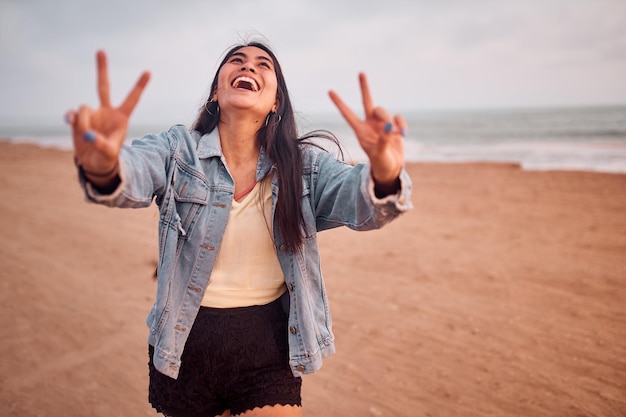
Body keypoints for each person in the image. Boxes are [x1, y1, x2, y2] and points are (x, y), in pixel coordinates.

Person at [65, 40, 412, 417]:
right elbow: (131, 173)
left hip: (267, 346)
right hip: (184, 346)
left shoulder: (304, 166)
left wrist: (385, 172)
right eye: (236, 61)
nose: (248, 67)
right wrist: (103, 166)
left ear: (276, 101)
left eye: (264, 65)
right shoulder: (178, 150)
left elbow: (362, 203)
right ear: (217, 90)